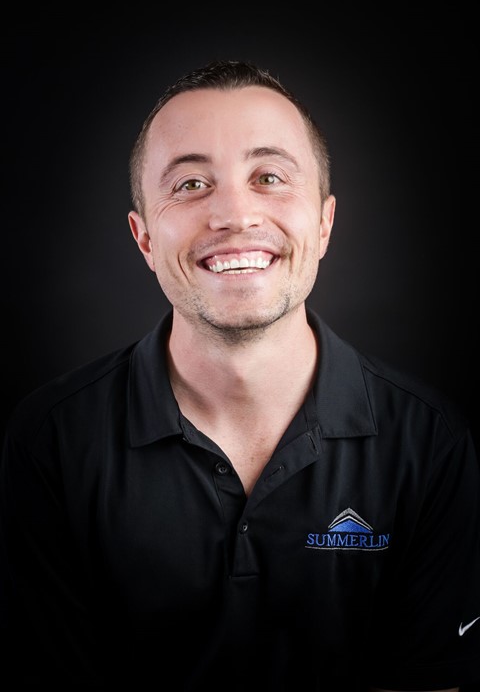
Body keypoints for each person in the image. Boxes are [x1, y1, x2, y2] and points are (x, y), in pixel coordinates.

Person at [1, 59, 479, 692]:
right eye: (191, 184)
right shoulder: (51, 440)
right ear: (144, 239)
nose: (234, 213)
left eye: (269, 177)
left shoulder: (430, 441)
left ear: (325, 223)